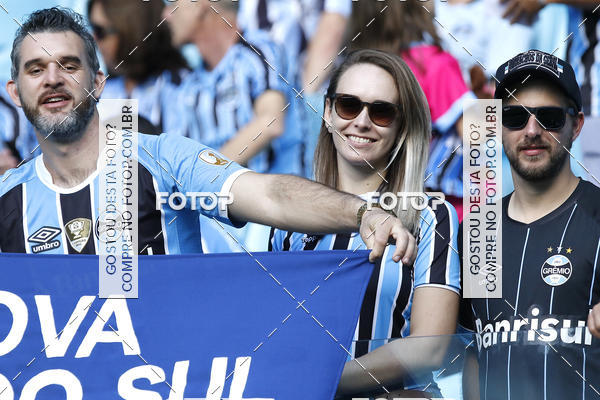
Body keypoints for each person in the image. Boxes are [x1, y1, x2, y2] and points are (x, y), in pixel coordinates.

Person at [0, 7, 416, 266]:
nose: (52, 79)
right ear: (14, 92)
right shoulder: (7, 199)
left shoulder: (165, 160)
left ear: (98, 83)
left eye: (69, 65)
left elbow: (269, 193)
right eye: (36, 69)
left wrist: (363, 213)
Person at [269, 49, 460, 397]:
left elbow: (430, 347)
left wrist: (322, 384)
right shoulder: (288, 220)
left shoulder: (430, 215)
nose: (361, 121)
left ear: (402, 126)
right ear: (328, 111)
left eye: (381, 111)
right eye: (348, 105)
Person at [461, 49, 600, 399]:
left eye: (549, 117)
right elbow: (473, 349)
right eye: (515, 117)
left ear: (576, 125)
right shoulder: (477, 230)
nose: (532, 130)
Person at [349, 0, 475, 220]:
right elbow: (480, 137)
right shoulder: (434, 63)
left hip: (385, 208)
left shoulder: (356, 70)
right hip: (452, 214)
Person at [87, 0, 189, 135]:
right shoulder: (100, 92)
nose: (93, 40)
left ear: (132, 31)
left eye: (100, 31)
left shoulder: (185, 89)